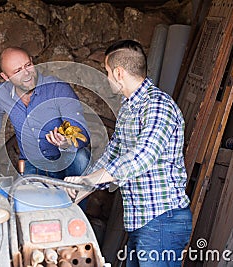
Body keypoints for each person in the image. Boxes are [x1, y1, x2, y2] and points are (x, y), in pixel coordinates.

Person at [65, 40, 192, 266]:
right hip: (141, 222)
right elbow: (113, 154)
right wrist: (83, 186)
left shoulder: (158, 106)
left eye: (107, 72)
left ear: (119, 72)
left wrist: (94, 178)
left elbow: (143, 156)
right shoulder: (127, 108)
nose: (107, 77)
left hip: (162, 221)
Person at [0, 47, 90, 179]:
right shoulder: (2, 94)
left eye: (28, 65)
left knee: (81, 158)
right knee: (26, 196)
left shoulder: (58, 89)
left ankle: (76, 199)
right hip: (33, 163)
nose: (26, 73)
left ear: (32, 62)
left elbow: (81, 132)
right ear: (5, 77)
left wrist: (66, 143)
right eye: (17, 71)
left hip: (67, 159)